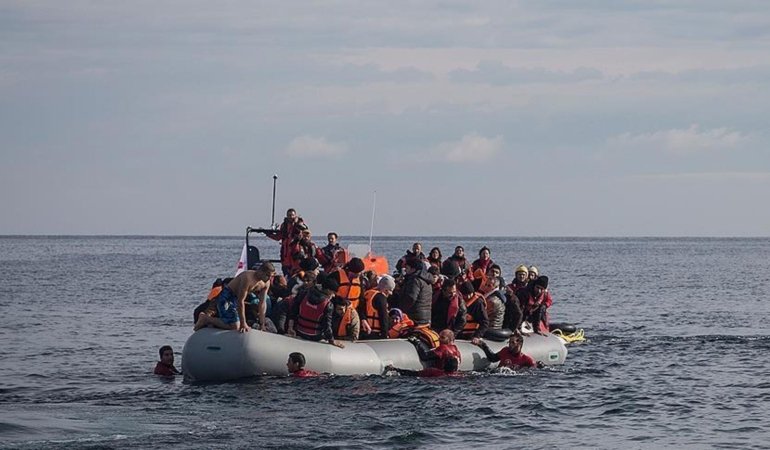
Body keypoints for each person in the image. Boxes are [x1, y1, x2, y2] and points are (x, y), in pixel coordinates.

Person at [194, 262, 275, 333]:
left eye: (270, 276)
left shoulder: (266, 283)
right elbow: (241, 301)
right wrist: (243, 324)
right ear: (260, 271)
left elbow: (262, 303)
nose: (268, 278)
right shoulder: (248, 278)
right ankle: (206, 318)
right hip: (228, 296)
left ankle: (214, 321)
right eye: (267, 275)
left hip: (237, 299)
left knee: (243, 320)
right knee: (236, 326)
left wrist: (262, 323)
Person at [287, 273, 345, 348]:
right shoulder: (328, 305)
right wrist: (332, 340)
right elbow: (327, 325)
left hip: (299, 331)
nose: (333, 295)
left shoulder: (304, 293)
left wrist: (290, 327)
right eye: (333, 292)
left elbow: (293, 311)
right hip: (315, 336)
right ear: (327, 290)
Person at [266, 208, 308, 276]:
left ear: (295, 215)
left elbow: (305, 231)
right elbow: (279, 237)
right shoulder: (284, 225)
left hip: (296, 253)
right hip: (286, 254)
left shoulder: (300, 223)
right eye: (289, 215)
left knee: (298, 274)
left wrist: (297, 224)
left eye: (292, 215)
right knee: (286, 273)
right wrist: (268, 234)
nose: (291, 217)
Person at [398, 257, 434, 326]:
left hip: (414, 317)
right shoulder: (426, 279)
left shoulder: (415, 280)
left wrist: (401, 309)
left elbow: (410, 298)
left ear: (413, 269)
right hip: (425, 316)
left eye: (407, 268)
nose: (405, 270)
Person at [360, 275, 394, 339]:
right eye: (390, 290)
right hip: (374, 333)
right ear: (385, 289)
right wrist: (385, 334)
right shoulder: (381, 297)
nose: (390, 293)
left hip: (363, 330)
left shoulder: (367, 293)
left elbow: (360, 309)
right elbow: (383, 317)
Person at [385, 357, 459, 377]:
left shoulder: (433, 371)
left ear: (443, 365)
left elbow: (413, 374)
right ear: (456, 368)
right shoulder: (459, 376)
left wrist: (395, 369)